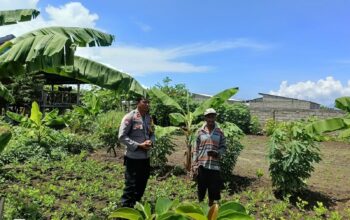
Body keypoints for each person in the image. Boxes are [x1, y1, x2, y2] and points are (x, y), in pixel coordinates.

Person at [118, 96, 155, 208]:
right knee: (131, 186)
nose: (147, 104)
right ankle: (124, 211)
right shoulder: (130, 117)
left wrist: (151, 141)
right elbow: (122, 136)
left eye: (149, 102)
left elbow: (153, 134)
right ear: (138, 103)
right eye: (145, 102)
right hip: (133, 158)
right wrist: (139, 146)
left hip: (145, 158)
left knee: (142, 184)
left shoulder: (149, 118)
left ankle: (135, 207)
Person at [192, 108, 226, 206]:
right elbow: (195, 149)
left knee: (213, 189)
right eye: (209, 117)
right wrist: (194, 164)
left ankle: (211, 208)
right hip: (202, 165)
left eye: (213, 116)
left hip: (214, 166)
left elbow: (223, 147)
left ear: (215, 117)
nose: (211, 119)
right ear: (205, 118)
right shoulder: (199, 132)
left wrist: (217, 153)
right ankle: (201, 207)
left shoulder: (220, 132)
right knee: (201, 188)